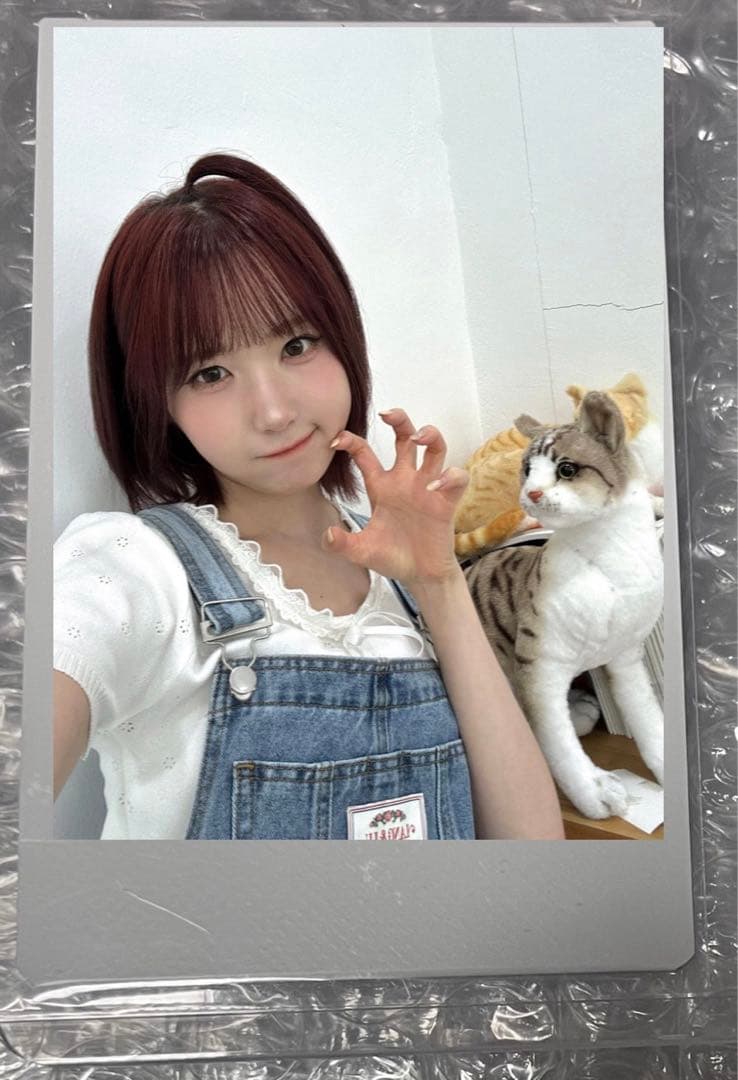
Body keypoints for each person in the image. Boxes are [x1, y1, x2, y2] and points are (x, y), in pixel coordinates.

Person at [53, 152, 564, 841]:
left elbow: (533, 851)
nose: (273, 412)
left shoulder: (405, 580)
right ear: (157, 403)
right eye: (209, 373)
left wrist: (441, 583)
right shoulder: (134, 569)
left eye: (296, 344)